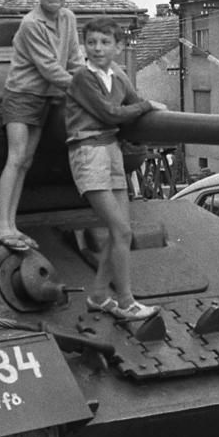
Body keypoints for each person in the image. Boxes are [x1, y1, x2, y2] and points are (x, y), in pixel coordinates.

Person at [65, 18, 166, 322]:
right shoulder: (83, 77)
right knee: (121, 230)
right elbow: (110, 112)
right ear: (85, 46)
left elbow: (131, 103)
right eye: (92, 42)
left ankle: (98, 295)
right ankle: (125, 301)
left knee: (119, 230)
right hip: (88, 151)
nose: (97, 48)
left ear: (118, 47)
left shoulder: (117, 77)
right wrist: (147, 106)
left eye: (105, 42)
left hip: (111, 150)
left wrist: (147, 108)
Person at [0, 0, 82, 253]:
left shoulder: (68, 18)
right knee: (16, 158)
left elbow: (73, 61)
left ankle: (11, 223)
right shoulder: (31, 24)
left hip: (44, 98)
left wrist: (92, 82)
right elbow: (50, 70)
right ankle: (1, 226)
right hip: (21, 95)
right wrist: (87, 91)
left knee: (26, 161)